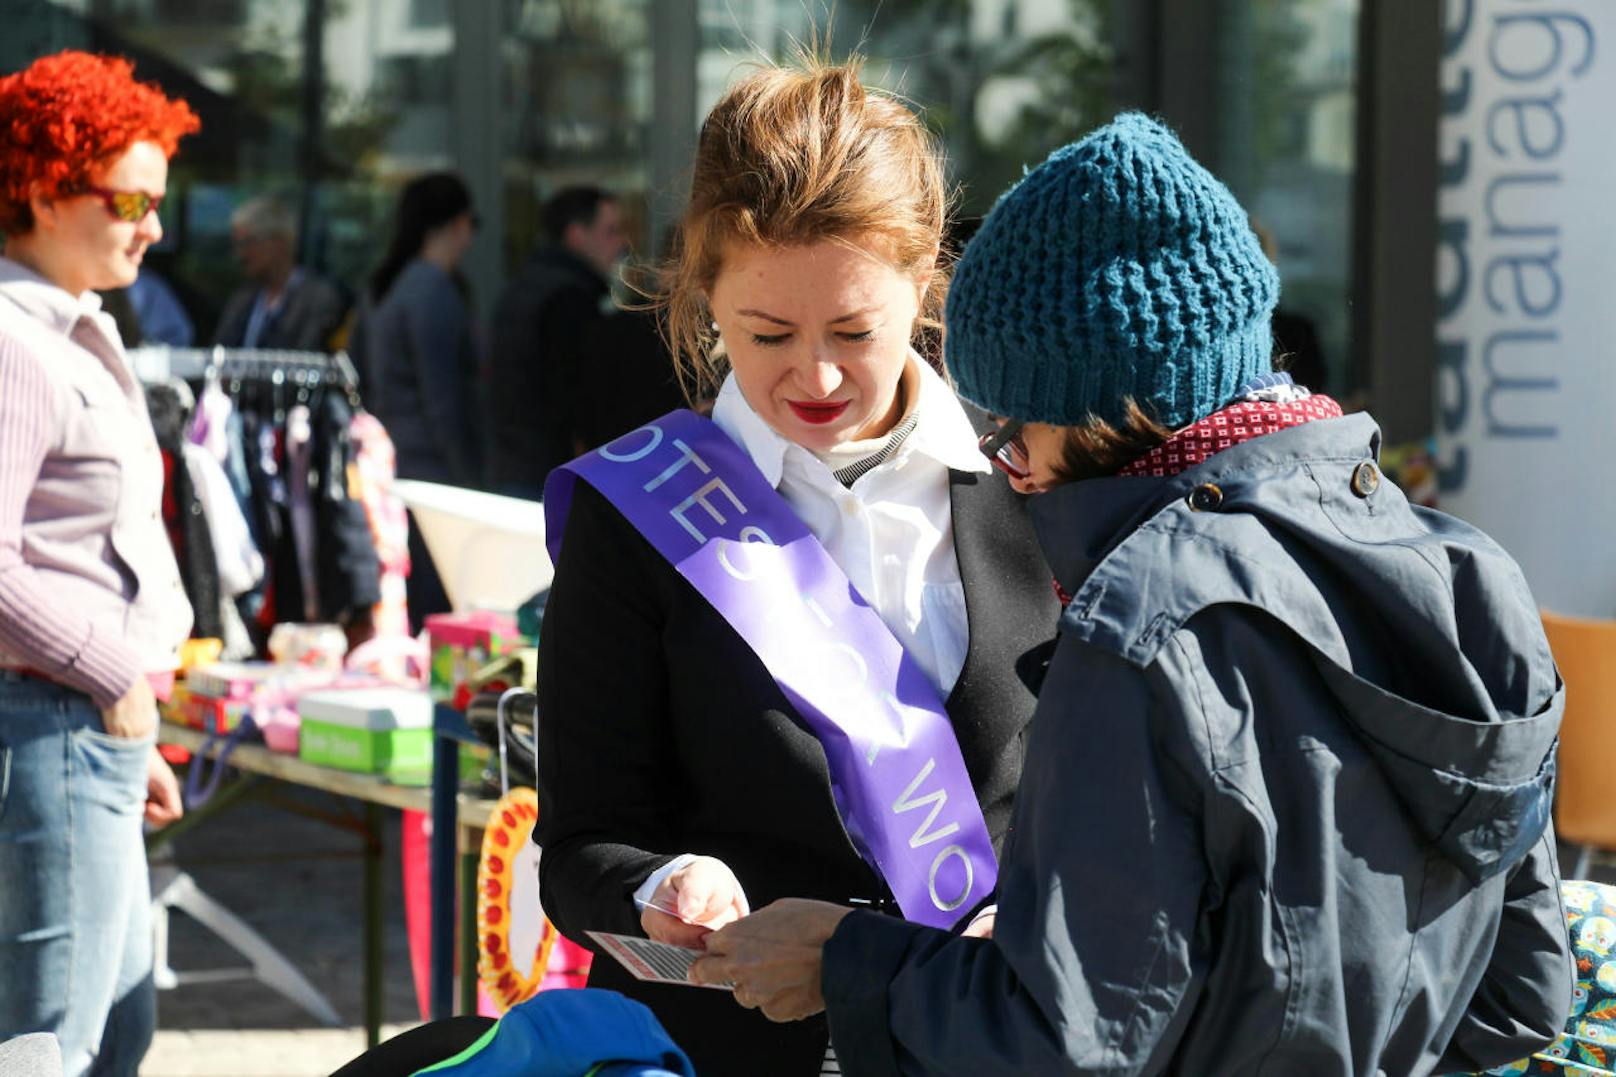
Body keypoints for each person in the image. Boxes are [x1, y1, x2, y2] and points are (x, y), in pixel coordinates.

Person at [691, 114, 1573, 1076]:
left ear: (1109, 406)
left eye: (1019, 418)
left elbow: (1063, 1047)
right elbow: (1524, 991)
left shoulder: (1143, 623)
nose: (1010, 458)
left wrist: (847, 960)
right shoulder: (1472, 573)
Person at [534, 59, 1059, 1077]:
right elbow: (582, 846)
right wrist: (663, 885)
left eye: (854, 332)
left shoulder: (1033, 476)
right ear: (702, 295)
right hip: (730, 1052)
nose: (814, 376)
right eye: (766, 333)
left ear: (923, 285)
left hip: (985, 1039)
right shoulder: (635, 509)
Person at [0, 50, 198, 1076]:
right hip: (51, 724)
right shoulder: (17, 340)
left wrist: (126, 724)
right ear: (41, 188)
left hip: (78, 731)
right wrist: (113, 676)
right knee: (50, 1044)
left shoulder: (63, 327)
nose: (153, 226)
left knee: (109, 1029)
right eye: (130, 198)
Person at [361, 171, 483, 625]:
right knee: (436, 607)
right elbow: (442, 399)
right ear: (458, 224)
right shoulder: (431, 290)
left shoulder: (387, 287)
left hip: (396, 463)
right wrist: (467, 479)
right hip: (433, 471)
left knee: (407, 600)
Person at [486, 186, 628, 496]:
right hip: (548, 469)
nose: (621, 243)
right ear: (576, 235)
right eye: (611, 231)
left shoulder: (527, 284)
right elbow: (575, 396)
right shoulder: (568, 298)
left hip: (515, 461)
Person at [212, 195, 346, 351]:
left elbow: (307, 357)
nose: (241, 255)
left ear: (279, 242)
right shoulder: (242, 299)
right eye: (237, 245)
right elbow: (219, 353)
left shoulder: (319, 299)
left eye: (248, 242)